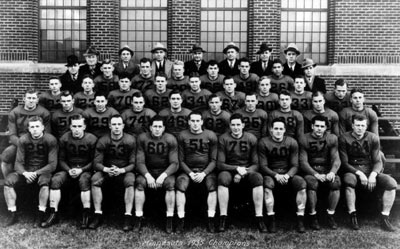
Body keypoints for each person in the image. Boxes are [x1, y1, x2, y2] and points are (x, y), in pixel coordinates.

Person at [339, 114, 397, 231]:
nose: (360, 128)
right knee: (349, 181)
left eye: (362, 125)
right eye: (357, 125)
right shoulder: (344, 138)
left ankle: (384, 217)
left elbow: (377, 161)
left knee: (391, 183)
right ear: (353, 126)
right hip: (352, 169)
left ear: (366, 126)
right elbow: (344, 163)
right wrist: (359, 173)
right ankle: (353, 215)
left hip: (369, 169)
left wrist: (373, 174)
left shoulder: (373, 137)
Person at [41, 114, 97, 229]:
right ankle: (53, 214)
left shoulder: (91, 139)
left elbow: (94, 161)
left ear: (84, 127)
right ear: (70, 127)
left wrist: (81, 170)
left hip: (85, 169)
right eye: (74, 126)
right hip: (68, 169)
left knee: (84, 180)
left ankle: (85, 215)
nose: (76, 129)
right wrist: (69, 170)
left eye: (79, 126)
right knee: (56, 180)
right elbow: (61, 159)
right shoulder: (64, 138)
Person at [3, 116, 58, 227]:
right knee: (8, 182)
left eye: (37, 126)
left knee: (44, 183)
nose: (35, 129)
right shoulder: (23, 139)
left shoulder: (50, 139)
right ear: (28, 128)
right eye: (32, 127)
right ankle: (13, 213)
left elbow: (52, 165)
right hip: (26, 171)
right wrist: (25, 173)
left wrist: (35, 173)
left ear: (43, 127)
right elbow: (18, 163)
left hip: (42, 171)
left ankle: (41, 213)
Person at [217, 113, 266, 233]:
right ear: (229, 126)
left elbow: (256, 164)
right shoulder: (223, 138)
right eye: (233, 125)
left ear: (243, 125)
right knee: (222, 178)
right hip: (230, 169)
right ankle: (223, 217)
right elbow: (220, 164)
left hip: (247, 170)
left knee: (258, 178)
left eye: (238, 124)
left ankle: (259, 217)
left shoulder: (251, 138)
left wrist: (242, 172)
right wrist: (236, 169)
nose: (236, 127)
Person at [258, 118, 307, 233]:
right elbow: (263, 166)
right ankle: (271, 219)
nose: (278, 131)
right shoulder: (264, 142)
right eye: (276, 129)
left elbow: (295, 165)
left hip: (287, 172)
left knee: (302, 185)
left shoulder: (292, 142)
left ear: (285, 130)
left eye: (281, 129)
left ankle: (300, 219)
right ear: (271, 130)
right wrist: (276, 175)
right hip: (271, 173)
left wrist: (288, 175)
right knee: (267, 187)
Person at [89, 115, 136, 231]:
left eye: (119, 124)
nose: (116, 127)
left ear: (123, 126)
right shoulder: (103, 140)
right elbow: (96, 163)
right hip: (107, 171)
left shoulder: (130, 140)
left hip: (125, 171)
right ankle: (98, 214)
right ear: (110, 126)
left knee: (130, 181)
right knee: (95, 180)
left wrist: (121, 170)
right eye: (114, 124)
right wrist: (107, 169)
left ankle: (128, 216)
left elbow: (134, 163)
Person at [134, 116, 179, 233]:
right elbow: (139, 161)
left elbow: (174, 163)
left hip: (164, 171)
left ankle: (169, 218)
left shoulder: (170, 139)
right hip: (148, 170)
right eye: (155, 126)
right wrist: (148, 176)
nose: (157, 129)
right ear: (150, 127)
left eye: (160, 127)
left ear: (164, 128)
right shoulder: (142, 138)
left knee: (170, 184)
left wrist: (163, 175)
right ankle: (138, 217)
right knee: (139, 183)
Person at [175, 111, 218, 233]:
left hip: (206, 171)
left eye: (197, 121)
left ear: (202, 122)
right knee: (180, 185)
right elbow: (180, 160)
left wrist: (204, 173)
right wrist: (190, 173)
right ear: (188, 122)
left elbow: (214, 160)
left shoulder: (210, 135)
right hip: (188, 170)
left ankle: (211, 219)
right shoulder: (182, 135)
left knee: (212, 186)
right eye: (192, 121)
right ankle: (180, 219)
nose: (195, 123)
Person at [299, 116, 341, 230]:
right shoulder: (304, 138)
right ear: (312, 126)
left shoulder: (332, 138)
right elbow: (303, 162)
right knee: (312, 184)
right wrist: (315, 174)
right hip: (311, 170)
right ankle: (313, 216)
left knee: (336, 183)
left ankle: (330, 215)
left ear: (326, 128)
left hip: (326, 169)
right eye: (317, 126)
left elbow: (336, 159)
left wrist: (332, 172)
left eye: (322, 126)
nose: (319, 129)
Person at [1, 88, 51, 179]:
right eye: (29, 98)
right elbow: (12, 134)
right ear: (24, 99)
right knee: (6, 156)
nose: (31, 101)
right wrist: (22, 144)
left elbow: (47, 133)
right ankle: (10, 182)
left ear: (37, 99)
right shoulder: (15, 112)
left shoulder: (44, 112)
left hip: (39, 142)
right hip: (20, 142)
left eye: (33, 98)